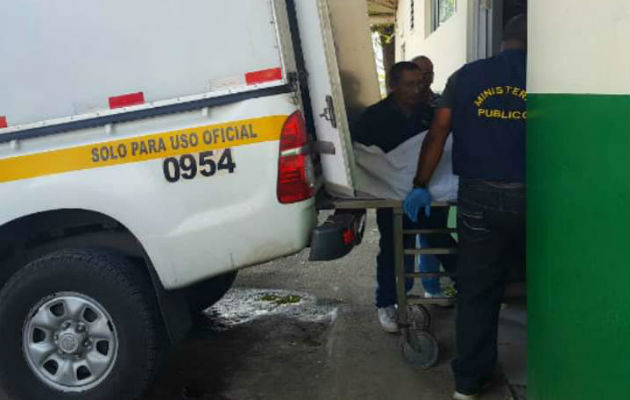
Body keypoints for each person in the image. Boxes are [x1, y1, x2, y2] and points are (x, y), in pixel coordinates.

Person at [403, 14, 527, 400]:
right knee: (551, 281)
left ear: (502, 40)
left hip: (479, 198)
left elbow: (438, 133)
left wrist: (420, 185)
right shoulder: (550, 77)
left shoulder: (466, 76)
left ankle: (468, 384)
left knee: (477, 291)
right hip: (540, 197)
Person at [352, 61, 457, 333]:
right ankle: (387, 302)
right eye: (409, 84)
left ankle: (466, 286)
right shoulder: (373, 117)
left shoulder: (431, 114)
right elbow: (366, 158)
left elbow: (442, 149)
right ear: (393, 85)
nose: (416, 89)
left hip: (428, 193)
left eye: (419, 83)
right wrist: (394, 178)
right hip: (393, 195)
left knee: (438, 237)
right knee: (394, 248)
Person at [412, 55, 454, 299]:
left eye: (430, 72)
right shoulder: (401, 104)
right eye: (421, 71)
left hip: (438, 180)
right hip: (406, 183)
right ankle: (398, 297)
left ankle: (432, 288)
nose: (426, 77)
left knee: (431, 235)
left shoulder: (441, 103)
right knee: (404, 239)